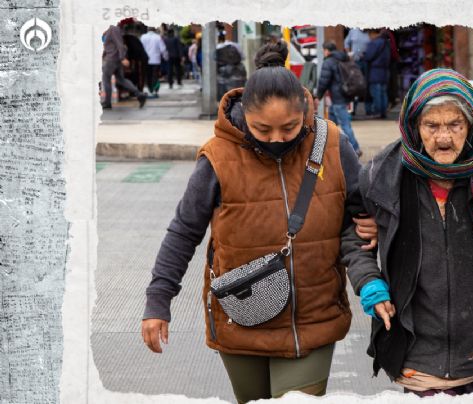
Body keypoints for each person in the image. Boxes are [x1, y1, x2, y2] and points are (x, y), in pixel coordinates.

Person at [141, 42, 373, 404]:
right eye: (262, 129)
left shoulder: (331, 144)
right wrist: (158, 301)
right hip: (241, 314)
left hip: (312, 319)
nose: (277, 139)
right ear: (243, 114)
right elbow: (184, 232)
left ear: (305, 112)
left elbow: (361, 212)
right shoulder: (217, 156)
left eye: (290, 127)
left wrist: (370, 225)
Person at [341, 68, 473, 400]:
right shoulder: (384, 173)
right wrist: (369, 282)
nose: (443, 138)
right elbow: (355, 235)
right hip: (418, 354)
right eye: (432, 126)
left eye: (455, 125)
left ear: (471, 125)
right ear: (414, 126)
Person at [315, 41, 361, 155]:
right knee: (331, 124)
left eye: (323, 50)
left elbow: (323, 81)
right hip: (343, 95)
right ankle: (328, 146)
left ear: (326, 50)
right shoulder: (343, 58)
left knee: (345, 125)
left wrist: (318, 97)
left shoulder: (329, 62)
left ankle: (355, 148)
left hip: (337, 98)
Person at [101, 22, 147, 109]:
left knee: (106, 80)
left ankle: (107, 102)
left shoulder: (113, 29)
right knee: (121, 79)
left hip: (111, 59)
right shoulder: (112, 29)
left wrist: (122, 58)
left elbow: (120, 45)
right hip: (115, 59)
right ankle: (139, 94)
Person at [361, 29, 391, 119]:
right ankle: (383, 112)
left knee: (376, 93)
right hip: (385, 71)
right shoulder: (386, 43)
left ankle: (378, 112)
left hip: (375, 71)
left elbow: (368, 56)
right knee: (383, 93)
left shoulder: (374, 43)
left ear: (373, 33)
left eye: (369, 34)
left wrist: (364, 56)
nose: (369, 37)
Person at [344, 28, 370, 116]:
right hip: (355, 62)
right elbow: (346, 43)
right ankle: (353, 109)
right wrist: (349, 54)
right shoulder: (353, 31)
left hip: (366, 62)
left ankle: (368, 109)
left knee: (366, 85)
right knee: (354, 85)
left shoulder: (369, 32)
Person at [215, 33, 247, 101]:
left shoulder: (218, 47)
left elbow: (215, 60)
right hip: (237, 72)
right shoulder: (236, 45)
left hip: (225, 72)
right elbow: (243, 57)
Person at [140, 26, 167, 98]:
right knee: (155, 75)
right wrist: (165, 57)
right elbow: (163, 49)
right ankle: (155, 91)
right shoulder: (158, 37)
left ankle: (150, 90)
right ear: (154, 30)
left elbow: (140, 48)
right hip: (156, 60)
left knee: (148, 76)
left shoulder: (143, 37)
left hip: (146, 60)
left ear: (147, 29)